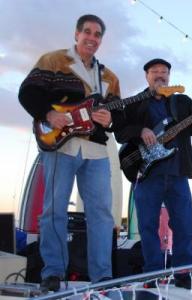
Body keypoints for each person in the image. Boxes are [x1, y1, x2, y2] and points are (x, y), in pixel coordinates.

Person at [18, 15, 121, 292]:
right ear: (77, 34)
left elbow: (118, 115)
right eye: (87, 32)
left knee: (101, 215)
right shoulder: (53, 61)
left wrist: (108, 120)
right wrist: (49, 114)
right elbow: (27, 92)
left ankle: (103, 278)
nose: (92, 37)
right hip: (60, 146)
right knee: (53, 211)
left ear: (101, 40)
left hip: (96, 151)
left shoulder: (109, 77)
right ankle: (52, 273)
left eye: (97, 34)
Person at [114, 58, 192, 289]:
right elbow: (120, 133)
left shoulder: (181, 101)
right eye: (155, 71)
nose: (160, 75)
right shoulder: (135, 103)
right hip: (147, 173)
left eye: (164, 72)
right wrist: (140, 130)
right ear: (147, 76)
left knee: (183, 225)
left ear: (169, 76)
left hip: (178, 172)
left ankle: (184, 274)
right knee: (148, 226)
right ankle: (151, 274)